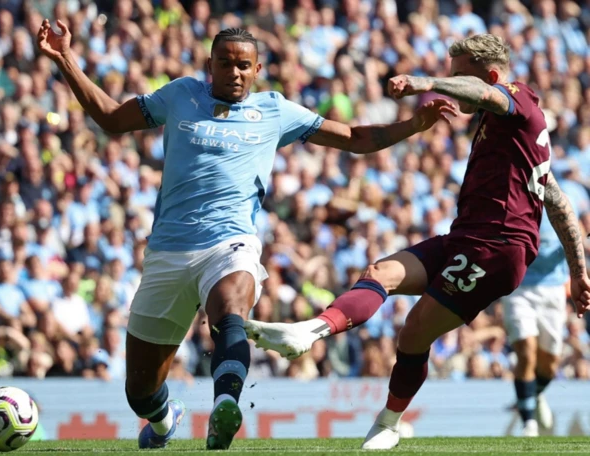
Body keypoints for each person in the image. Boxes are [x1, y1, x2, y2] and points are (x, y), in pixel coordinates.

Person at [36, 21, 454, 450]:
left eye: (243, 66)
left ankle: (225, 406)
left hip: (231, 242)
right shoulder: (181, 95)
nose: (233, 73)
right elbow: (110, 117)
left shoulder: (276, 110)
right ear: (210, 65)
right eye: (225, 64)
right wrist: (65, 58)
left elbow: (353, 138)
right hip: (168, 250)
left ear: (256, 70)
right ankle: (164, 419)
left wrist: (413, 125)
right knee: (139, 390)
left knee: (230, 308)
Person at [245, 34, 590, 450]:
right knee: (381, 272)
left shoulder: (517, 102)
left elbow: (484, 92)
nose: (451, 81)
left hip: (496, 247)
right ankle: (309, 333)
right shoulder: (515, 134)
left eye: (457, 73)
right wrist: (580, 269)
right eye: (448, 73)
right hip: (465, 237)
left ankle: (389, 421)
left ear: (492, 76)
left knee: (413, 333)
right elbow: (558, 201)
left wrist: (426, 82)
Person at [501, 207, 581, 437]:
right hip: (518, 287)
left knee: (549, 363)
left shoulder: (563, 200)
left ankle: (532, 396)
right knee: (526, 351)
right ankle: (529, 424)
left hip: (553, 289)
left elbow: (576, 235)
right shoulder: (513, 200)